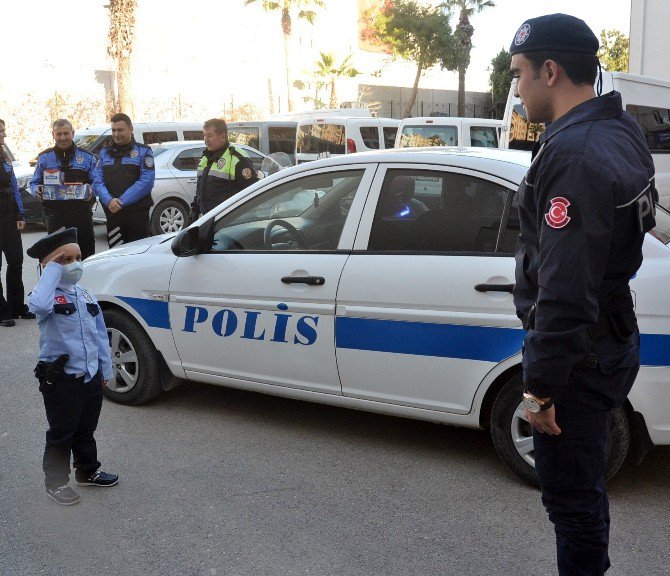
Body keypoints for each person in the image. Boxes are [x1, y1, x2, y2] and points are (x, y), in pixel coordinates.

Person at [510, 14, 657, 576]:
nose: (516, 88)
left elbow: (565, 292)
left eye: (520, 74)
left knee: (571, 501)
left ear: (551, 71)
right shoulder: (618, 129)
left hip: (578, 358)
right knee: (584, 492)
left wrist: (541, 389)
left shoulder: (575, 155)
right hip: (609, 335)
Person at [27, 227, 118, 506]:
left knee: (85, 429)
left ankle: (87, 470)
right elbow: (37, 305)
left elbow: (100, 335)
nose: (74, 264)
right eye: (65, 260)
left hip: (89, 377)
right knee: (61, 432)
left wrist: (105, 370)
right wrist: (51, 271)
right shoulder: (47, 297)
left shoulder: (86, 296)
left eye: (77, 257)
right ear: (48, 266)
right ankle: (55, 483)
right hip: (62, 380)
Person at [30, 119, 98, 259]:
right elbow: (34, 182)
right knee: (57, 257)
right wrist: (36, 189)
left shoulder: (87, 157)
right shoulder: (44, 158)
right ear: (53, 135)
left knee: (86, 255)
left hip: (82, 216)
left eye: (66, 133)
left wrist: (92, 189)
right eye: (59, 134)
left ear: (72, 133)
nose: (62, 137)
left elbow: (97, 181)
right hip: (56, 217)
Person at [93, 113, 155, 247]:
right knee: (116, 257)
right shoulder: (104, 153)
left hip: (137, 216)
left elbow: (147, 181)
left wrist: (121, 201)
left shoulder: (143, 151)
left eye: (120, 130)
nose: (116, 134)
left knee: (137, 257)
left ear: (130, 129)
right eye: (113, 130)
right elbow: (97, 180)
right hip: (114, 215)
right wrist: (109, 201)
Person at [0, 118, 34, 327]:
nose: (4, 135)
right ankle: (2, 312)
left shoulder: (5, 156)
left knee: (16, 262)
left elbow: (14, 187)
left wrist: (20, 215)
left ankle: (17, 306)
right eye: (1, 132)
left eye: (4, 130)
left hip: (9, 219)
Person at [190, 118, 258, 219]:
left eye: (210, 135)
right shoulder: (205, 158)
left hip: (229, 222)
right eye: (204, 135)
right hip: (208, 221)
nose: (206, 140)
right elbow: (199, 192)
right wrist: (193, 217)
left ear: (223, 137)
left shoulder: (237, 158)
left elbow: (251, 195)